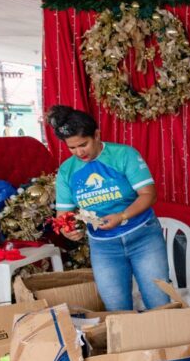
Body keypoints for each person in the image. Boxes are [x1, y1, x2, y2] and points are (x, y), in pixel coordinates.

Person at [49, 105, 171, 311]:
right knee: (116, 309)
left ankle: (167, 343)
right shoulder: (66, 171)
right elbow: (64, 215)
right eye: (72, 148)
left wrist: (122, 215)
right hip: (103, 247)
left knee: (159, 302)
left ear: (96, 135)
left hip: (143, 237)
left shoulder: (124, 155)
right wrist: (68, 230)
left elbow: (149, 195)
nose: (79, 152)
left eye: (83, 144)